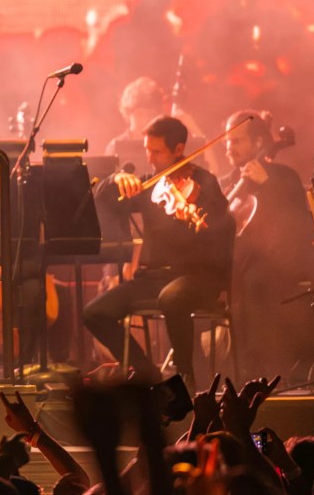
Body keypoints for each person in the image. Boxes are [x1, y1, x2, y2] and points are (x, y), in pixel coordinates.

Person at [83, 116, 233, 389]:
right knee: (94, 313)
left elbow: (224, 228)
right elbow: (101, 200)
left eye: (157, 152)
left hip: (199, 276)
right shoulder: (150, 184)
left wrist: (196, 211)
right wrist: (116, 178)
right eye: (147, 150)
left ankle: (186, 378)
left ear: (179, 149)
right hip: (156, 277)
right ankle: (146, 372)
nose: (150, 158)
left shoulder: (205, 182)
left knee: (172, 297)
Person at [221, 110, 314, 378]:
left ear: (257, 143)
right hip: (241, 262)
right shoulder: (228, 182)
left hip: (282, 262)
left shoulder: (283, 176)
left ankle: (265, 367)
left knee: (255, 282)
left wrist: (267, 184)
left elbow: (298, 223)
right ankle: (228, 368)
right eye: (227, 141)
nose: (229, 147)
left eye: (237, 141)